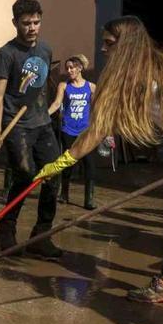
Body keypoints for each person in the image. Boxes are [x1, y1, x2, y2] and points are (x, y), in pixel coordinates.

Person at [37, 16, 163, 303]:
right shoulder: (146, 66)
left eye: (109, 43)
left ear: (126, 45)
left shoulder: (136, 74)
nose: (104, 49)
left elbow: (96, 131)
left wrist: (61, 162)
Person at [0, 0, 62, 259]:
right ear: (15, 23)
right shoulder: (6, 54)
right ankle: (6, 229)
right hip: (16, 124)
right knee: (25, 174)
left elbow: (42, 86)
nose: (32, 28)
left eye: (36, 22)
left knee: (54, 175)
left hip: (42, 123)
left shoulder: (46, 50)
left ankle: (41, 236)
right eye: (26, 23)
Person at [48, 54, 97, 209]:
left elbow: (96, 109)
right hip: (68, 130)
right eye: (67, 68)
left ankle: (89, 199)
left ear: (80, 68)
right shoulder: (63, 86)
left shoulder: (91, 87)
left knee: (90, 165)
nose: (69, 70)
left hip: (86, 132)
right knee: (68, 163)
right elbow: (56, 104)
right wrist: (43, 116)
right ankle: (64, 194)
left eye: (72, 67)